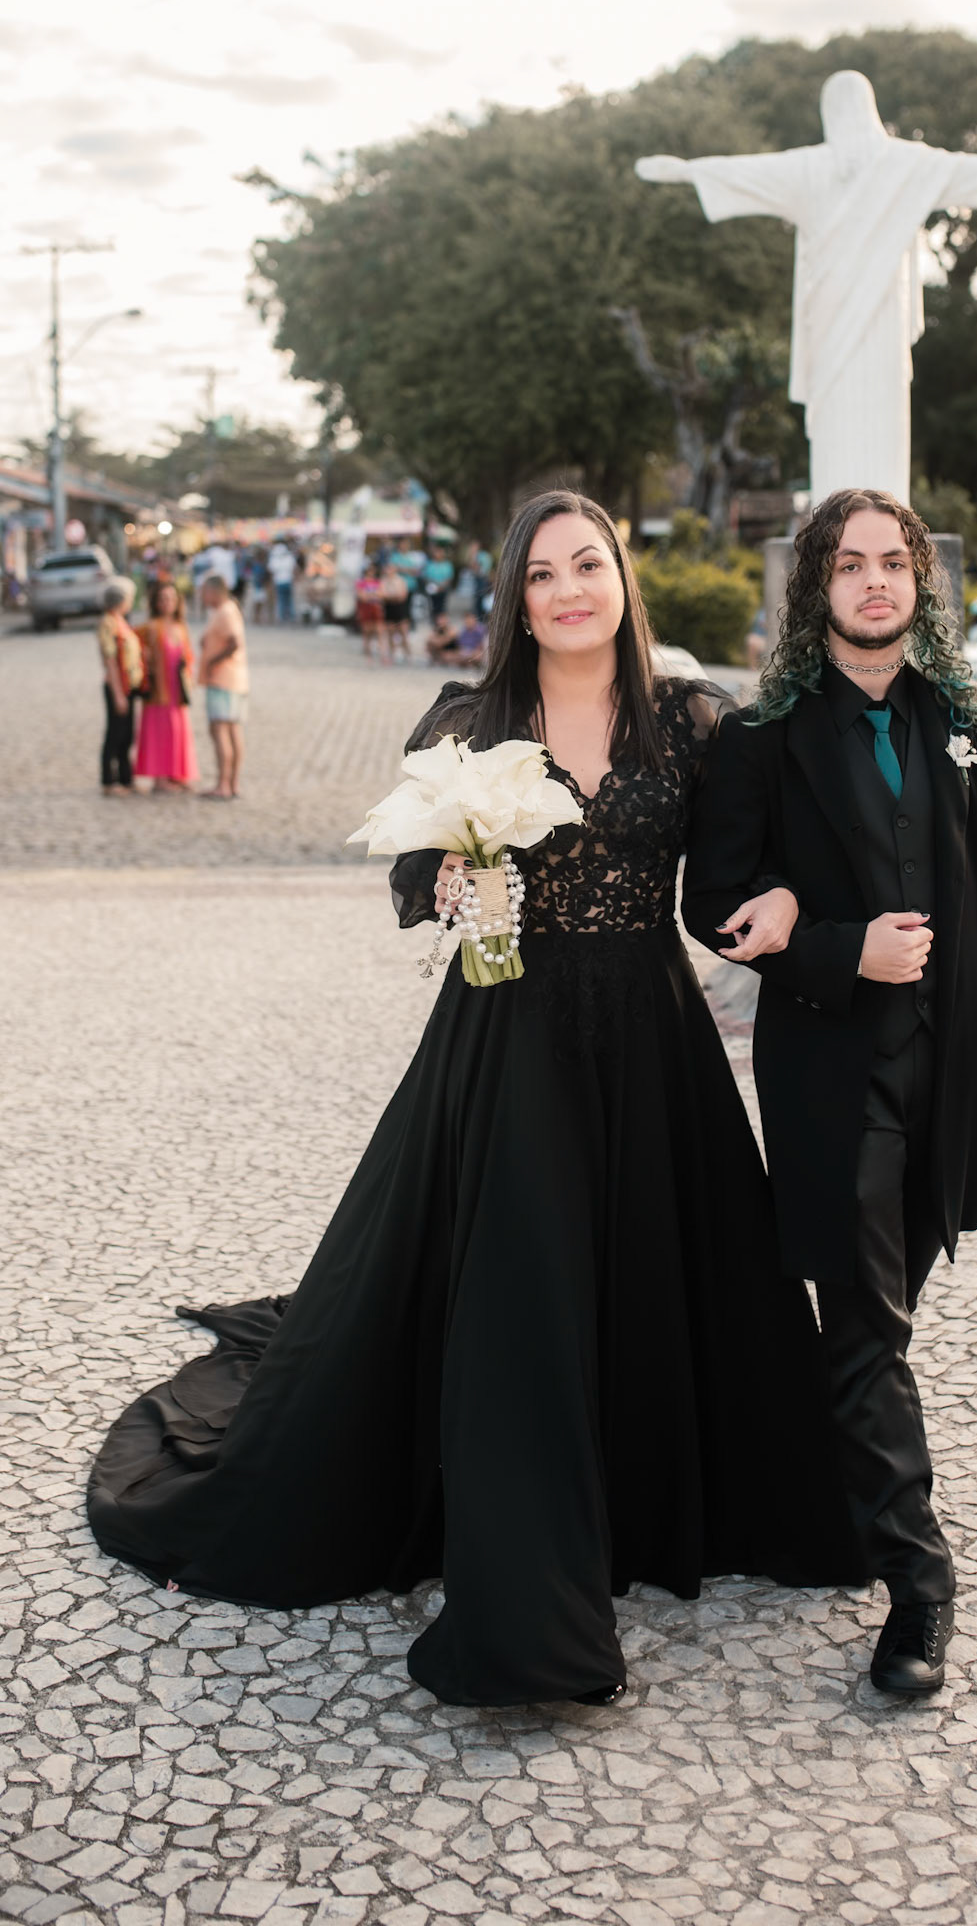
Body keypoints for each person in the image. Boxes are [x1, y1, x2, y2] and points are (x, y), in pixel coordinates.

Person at [88, 489, 865, 1709]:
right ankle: (527, 1605)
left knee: (674, 1275)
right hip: (506, 1038)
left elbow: (743, 871)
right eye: (542, 571)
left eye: (588, 563)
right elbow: (410, 872)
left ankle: (666, 1501)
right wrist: (452, 878)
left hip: (654, 1042)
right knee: (523, 1292)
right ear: (514, 595)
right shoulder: (471, 718)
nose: (567, 588)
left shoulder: (690, 718)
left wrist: (797, 921)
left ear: (622, 577)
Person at [683, 488, 977, 1701]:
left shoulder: (961, 725)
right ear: (817, 589)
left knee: (880, 1323)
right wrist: (836, 949)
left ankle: (819, 1499)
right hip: (830, 1081)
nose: (872, 582)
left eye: (890, 562)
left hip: (946, 1075)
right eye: (848, 564)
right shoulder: (763, 736)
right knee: (861, 1327)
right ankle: (919, 1583)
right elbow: (715, 905)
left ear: (918, 581)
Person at [135, 579, 199, 792]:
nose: (167, 602)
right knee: (160, 730)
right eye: (162, 599)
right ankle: (160, 777)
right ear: (155, 602)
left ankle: (177, 773)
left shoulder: (181, 627)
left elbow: (188, 655)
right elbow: (131, 647)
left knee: (178, 728)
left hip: (177, 689)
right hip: (158, 689)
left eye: (171, 598)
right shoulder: (150, 628)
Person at [199, 573, 249, 800]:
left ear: (214, 591)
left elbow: (233, 643)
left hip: (223, 679)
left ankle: (224, 784)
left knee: (221, 731)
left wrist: (212, 660)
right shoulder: (226, 610)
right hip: (234, 679)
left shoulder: (225, 611)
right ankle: (232, 783)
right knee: (231, 730)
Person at [97, 578, 143, 797]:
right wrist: (118, 694)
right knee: (114, 734)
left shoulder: (120, 621)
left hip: (129, 686)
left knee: (127, 735)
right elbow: (111, 661)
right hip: (118, 686)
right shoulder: (108, 623)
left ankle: (126, 777)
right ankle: (109, 780)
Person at [354, 559, 388, 663]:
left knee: (379, 631)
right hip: (366, 608)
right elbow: (362, 597)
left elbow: (382, 595)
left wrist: (370, 595)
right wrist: (374, 595)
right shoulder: (361, 582)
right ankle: (368, 654)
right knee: (367, 632)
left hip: (375, 608)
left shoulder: (377, 582)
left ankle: (382, 654)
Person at [380, 557, 412, 660]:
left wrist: (390, 596)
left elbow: (402, 595)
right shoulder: (383, 581)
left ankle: (407, 654)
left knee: (404, 633)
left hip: (400, 609)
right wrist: (393, 596)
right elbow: (382, 595)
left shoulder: (400, 580)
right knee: (390, 633)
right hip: (389, 608)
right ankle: (392, 654)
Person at [268, 540, 297, 623]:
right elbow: (294, 569)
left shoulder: (275, 559)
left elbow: (271, 571)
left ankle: (283, 616)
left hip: (280, 582)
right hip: (287, 581)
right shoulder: (289, 558)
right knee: (288, 600)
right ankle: (290, 616)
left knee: (282, 600)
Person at [423, 548, 454, 621]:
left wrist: (442, 586)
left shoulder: (447, 565)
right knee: (433, 605)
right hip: (433, 588)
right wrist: (435, 586)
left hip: (443, 588)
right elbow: (427, 577)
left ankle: (442, 621)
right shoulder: (430, 564)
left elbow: (449, 578)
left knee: (442, 606)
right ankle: (434, 620)